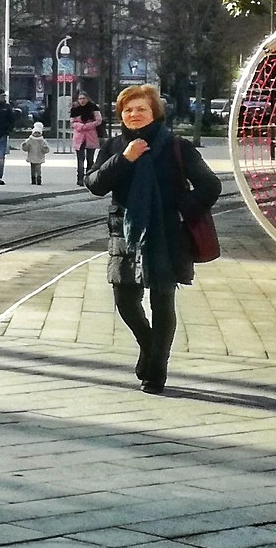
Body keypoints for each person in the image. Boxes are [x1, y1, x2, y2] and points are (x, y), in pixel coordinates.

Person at [86, 85, 221, 394]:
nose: (134, 114)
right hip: (125, 233)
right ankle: (149, 345)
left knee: (162, 299)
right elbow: (94, 183)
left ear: (154, 113)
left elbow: (210, 185)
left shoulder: (176, 146)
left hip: (167, 234)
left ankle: (156, 371)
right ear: (121, 114)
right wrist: (124, 158)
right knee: (125, 301)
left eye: (141, 109)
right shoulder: (113, 146)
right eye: (128, 110)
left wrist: (179, 212)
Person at [70, 93, 103, 184]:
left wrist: (88, 125)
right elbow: (72, 122)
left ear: (87, 98)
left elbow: (98, 120)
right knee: (80, 159)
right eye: (80, 98)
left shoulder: (93, 108)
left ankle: (89, 178)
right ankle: (80, 178)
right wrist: (81, 126)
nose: (82, 100)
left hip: (90, 135)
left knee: (90, 158)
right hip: (79, 136)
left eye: (84, 98)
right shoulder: (75, 109)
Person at [20, 122, 51, 186]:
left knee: (38, 167)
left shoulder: (42, 141)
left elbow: (46, 150)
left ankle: (39, 177)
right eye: (35, 133)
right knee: (32, 168)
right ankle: (33, 178)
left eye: (38, 133)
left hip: (39, 156)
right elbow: (26, 148)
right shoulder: (30, 140)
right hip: (32, 156)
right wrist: (24, 145)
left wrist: (45, 148)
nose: (36, 134)